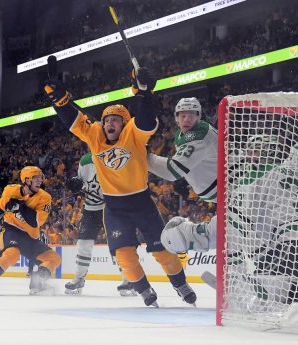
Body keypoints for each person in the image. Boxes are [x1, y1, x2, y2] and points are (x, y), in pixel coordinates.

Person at [162, 122, 298, 305]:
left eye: (256, 151)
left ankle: (250, 287)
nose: (251, 155)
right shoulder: (292, 171)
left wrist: (190, 235)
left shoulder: (253, 180)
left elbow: (232, 225)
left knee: (271, 273)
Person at [44, 66, 196, 307]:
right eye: (107, 120)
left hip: (141, 203)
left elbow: (146, 121)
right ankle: (145, 291)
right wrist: (60, 100)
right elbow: (74, 120)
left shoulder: (133, 134)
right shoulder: (94, 135)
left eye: (116, 120)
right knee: (124, 255)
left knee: (162, 251)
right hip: (114, 207)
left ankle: (180, 284)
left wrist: (144, 94)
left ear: (124, 123)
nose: (110, 124)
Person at [0, 166, 61, 295]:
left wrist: (20, 207)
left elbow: (37, 221)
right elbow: (0, 208)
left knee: (54, 258)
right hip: (11, 230)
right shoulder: (10, 190)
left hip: (31, 236)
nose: (39, 181)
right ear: (26, 180)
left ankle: (37, 283)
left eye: (40, 178)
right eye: (35, 178)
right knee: (12, 254)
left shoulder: (45, 197)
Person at [64, 153, 136, 296]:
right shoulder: (85, 160)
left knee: (118, 244)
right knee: (83, 244)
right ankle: (79, 279)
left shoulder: (118, 156)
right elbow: (82, 181)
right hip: (91, 208)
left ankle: (129, 279)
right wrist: (76, 183)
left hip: (113, 208)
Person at [148, 97, 218, 203]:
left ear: (198, 116)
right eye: (183, 115)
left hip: (232, 188)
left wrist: (143, 155)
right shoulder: (180, 134)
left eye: (191, 115)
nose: (186, 119)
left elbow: (172, 171)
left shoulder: (199, 136)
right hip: (222, 191)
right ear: (176, 118)